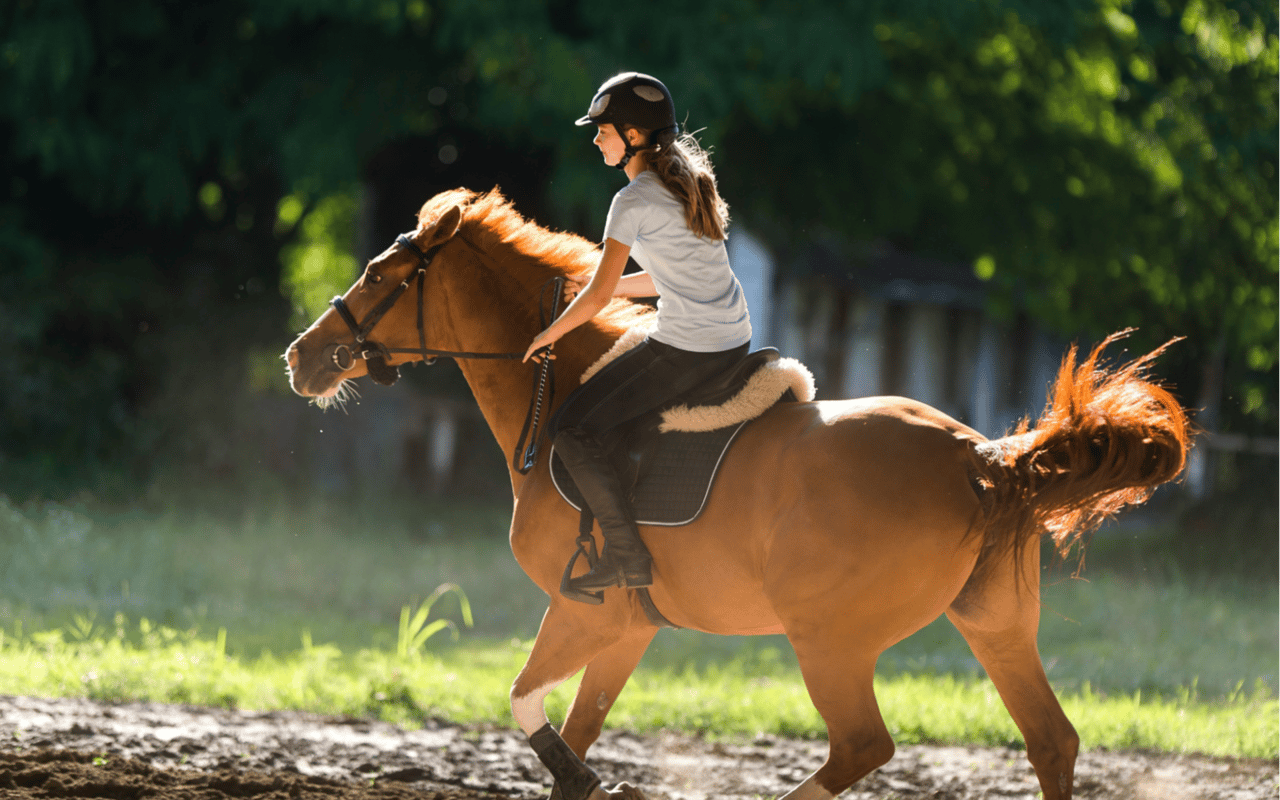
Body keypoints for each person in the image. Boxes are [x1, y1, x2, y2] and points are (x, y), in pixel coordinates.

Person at [522, 72, 752, 599]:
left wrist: (549, 334)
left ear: (631, 135)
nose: (595, 138)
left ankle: (627, 555)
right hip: (730, 337)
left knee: (571, 426)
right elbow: (658, 279)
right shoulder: (685, 181)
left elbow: (600, 300)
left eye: (602, 130)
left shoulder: (633, 200)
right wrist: (587, 285)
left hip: (688, 347)